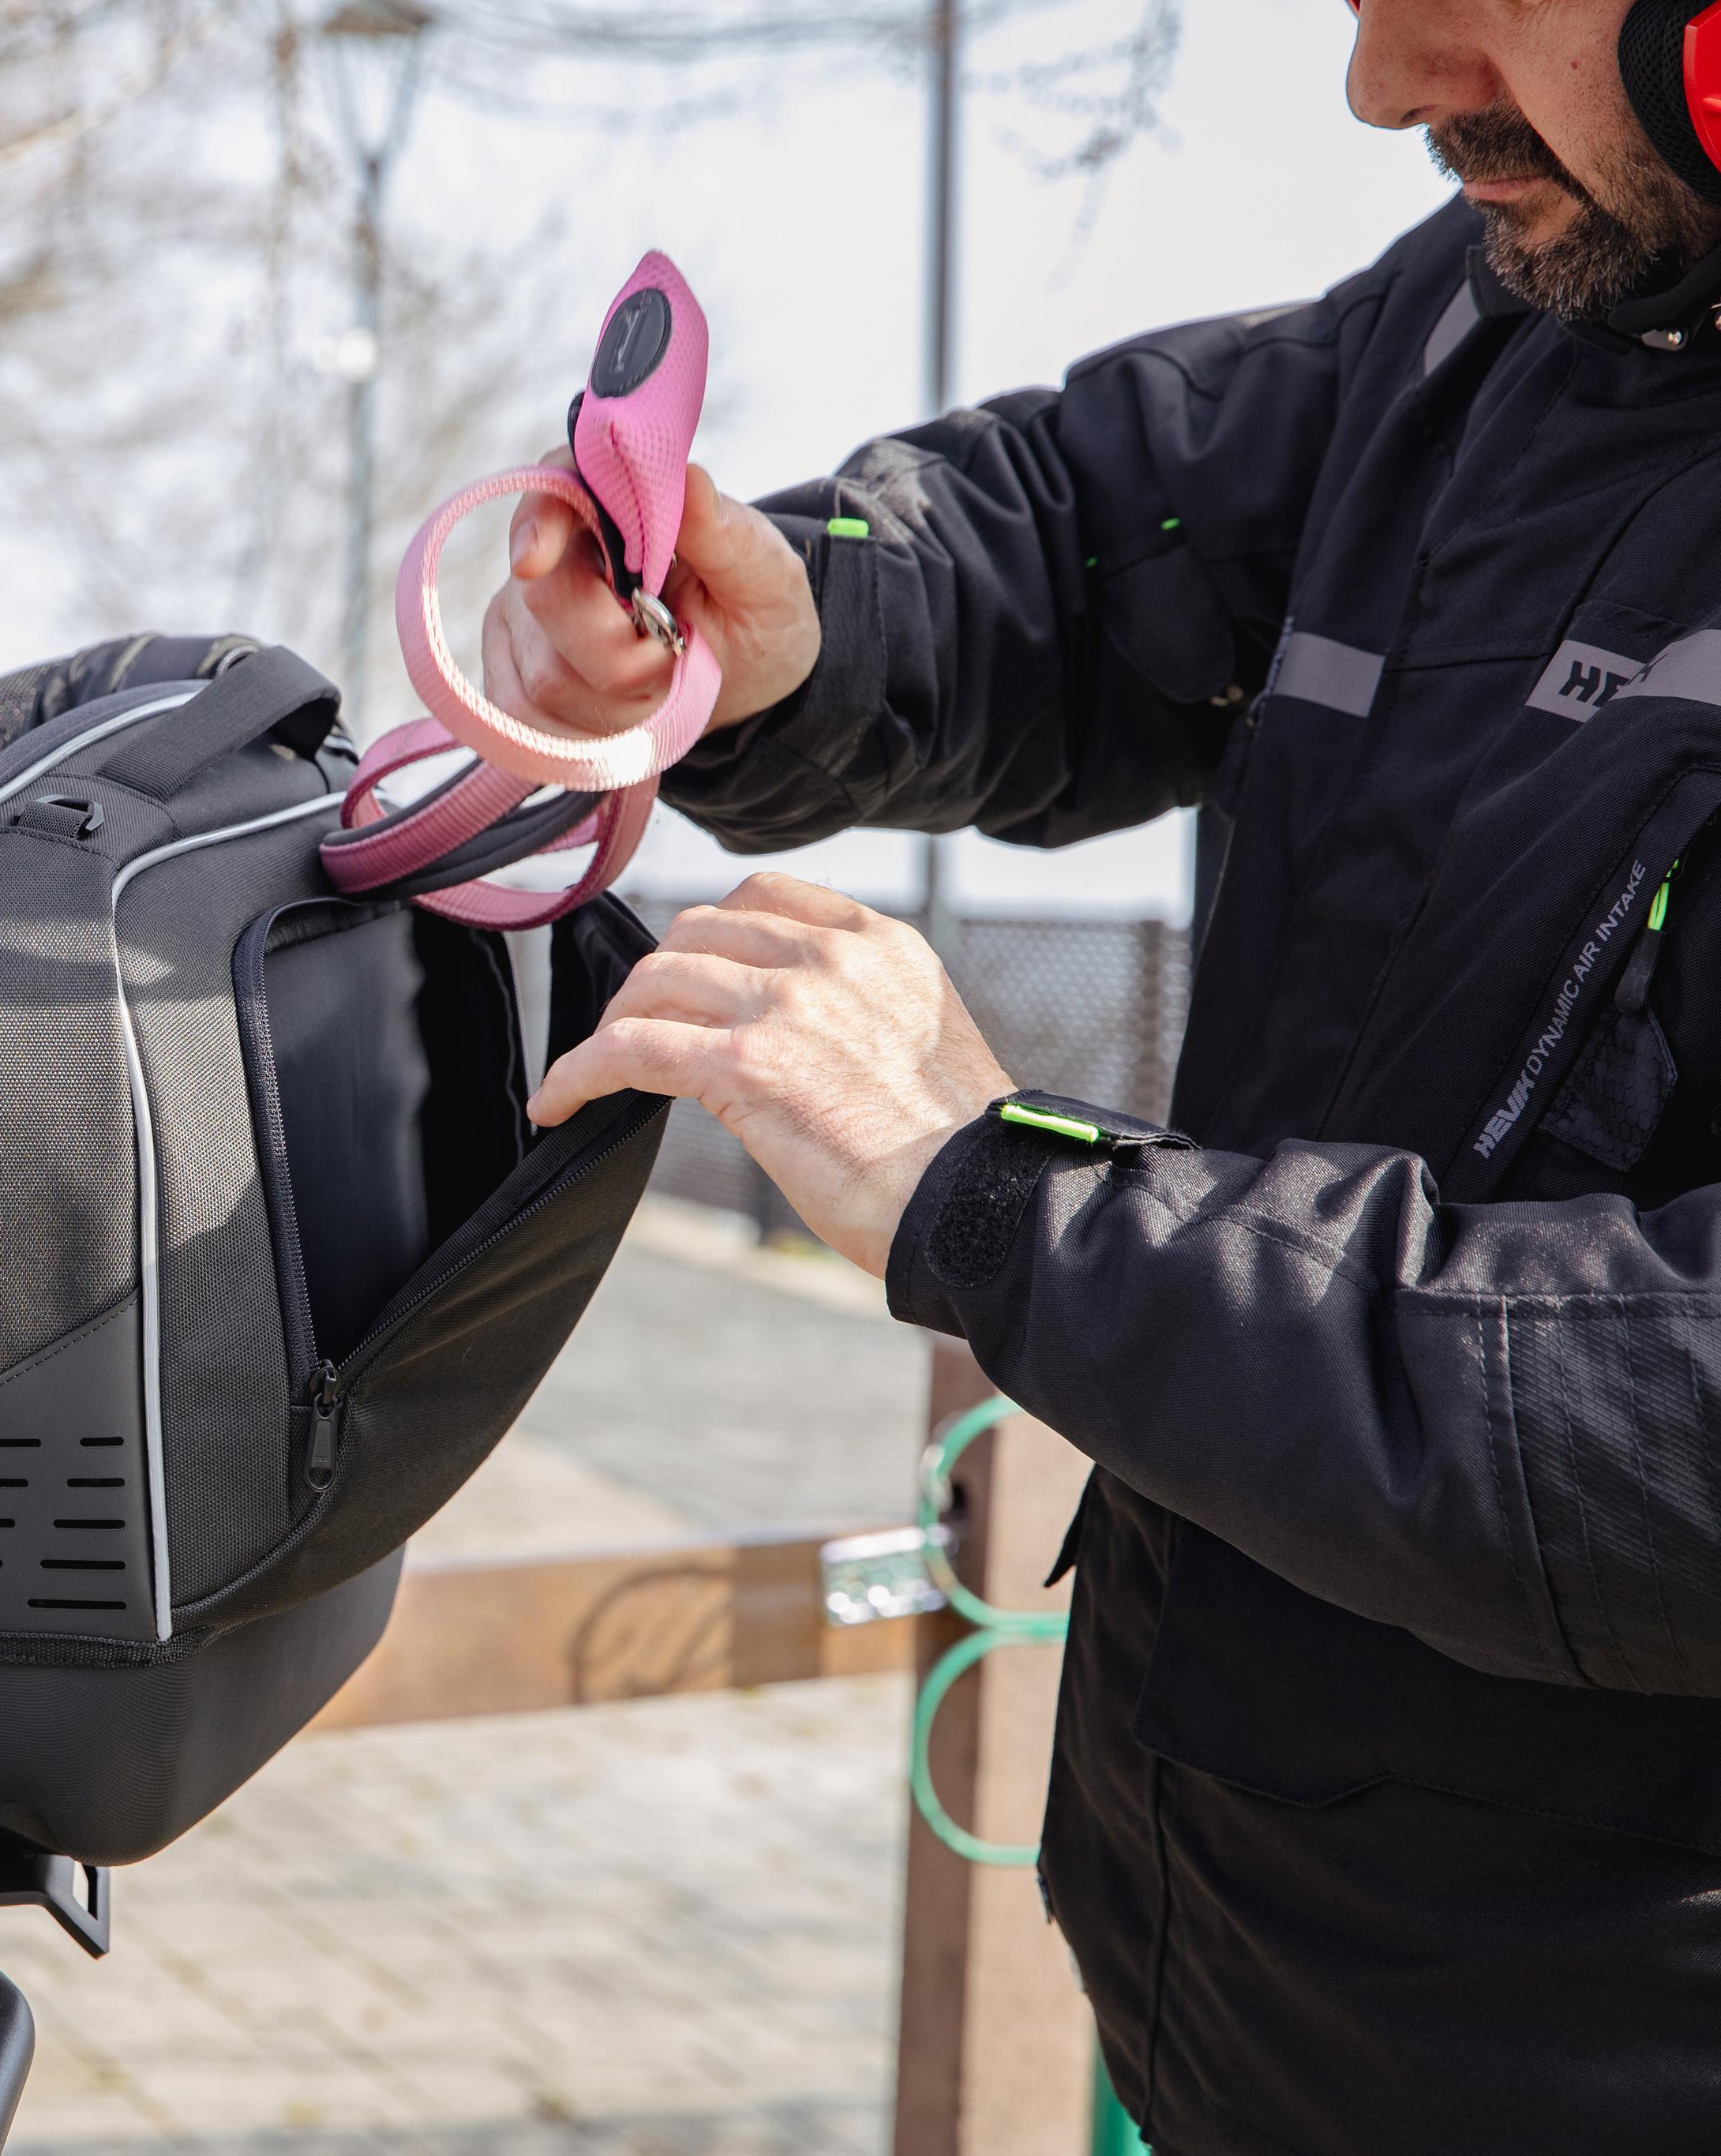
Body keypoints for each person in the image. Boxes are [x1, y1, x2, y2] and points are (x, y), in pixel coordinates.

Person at [499, 2, 1721, 2146]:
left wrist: (1019, 1193)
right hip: (1227, 1981)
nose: (1383, 87)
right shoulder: (1502, 309)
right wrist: (788, 624)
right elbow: (1091, 531)